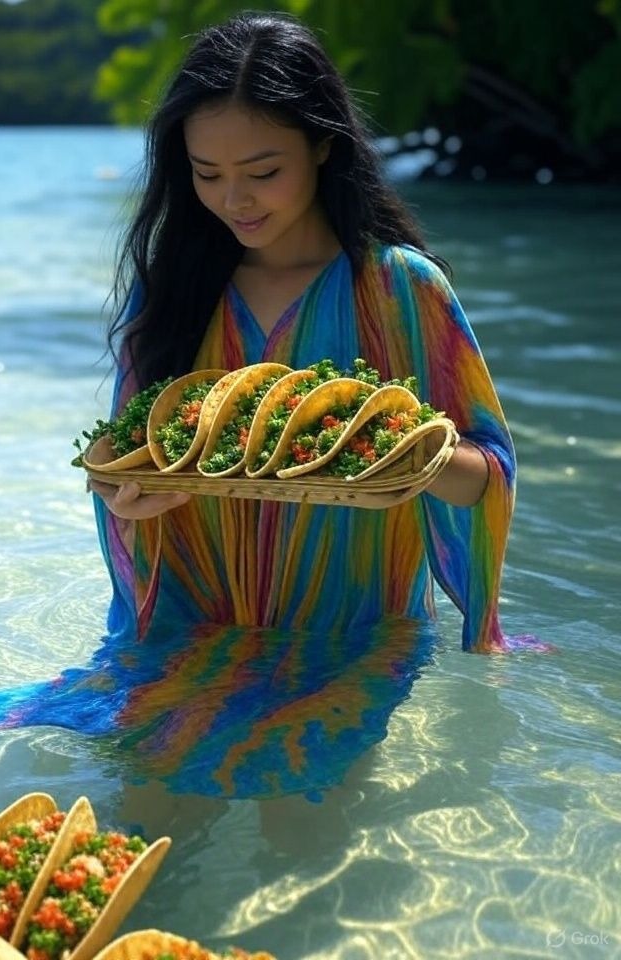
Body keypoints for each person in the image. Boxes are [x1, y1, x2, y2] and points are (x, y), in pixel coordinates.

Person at [88, 9, 537, 655]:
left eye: (263, 172)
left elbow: (488, 475)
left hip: (358, 636)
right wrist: (124, 495)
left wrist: (406, 453)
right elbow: (126, 459)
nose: (235, 200)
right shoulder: (171, 291)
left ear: (324, 145)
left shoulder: (399, 290)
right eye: (207, 173)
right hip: (192, 633)